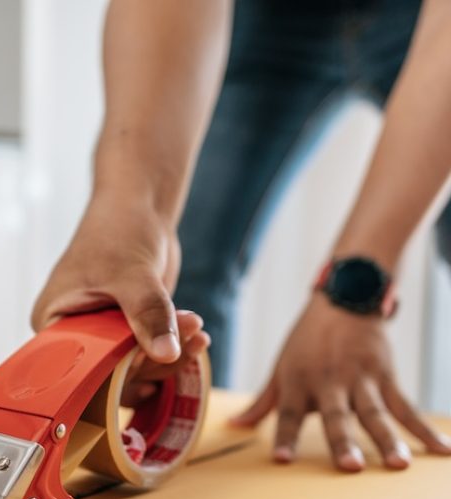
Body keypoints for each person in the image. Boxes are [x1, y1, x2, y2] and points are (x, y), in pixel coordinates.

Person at [33, 0, 451, 472]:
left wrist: (355, 285)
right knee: (173, 278)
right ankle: (178, 460)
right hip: (268, 17)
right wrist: (126, 213)